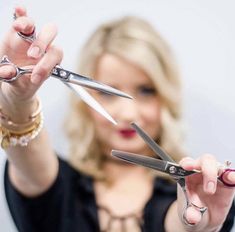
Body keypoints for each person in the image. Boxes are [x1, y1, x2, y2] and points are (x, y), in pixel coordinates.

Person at [0, 5, 234, 232]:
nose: (127, 113)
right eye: (106, 92)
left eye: (146, 90)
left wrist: (194, 224)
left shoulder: (195, 194)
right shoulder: (59, 185)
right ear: (84, 104)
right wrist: (18, 101)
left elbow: (177, 220)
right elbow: (27, 149)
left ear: (166, 98)